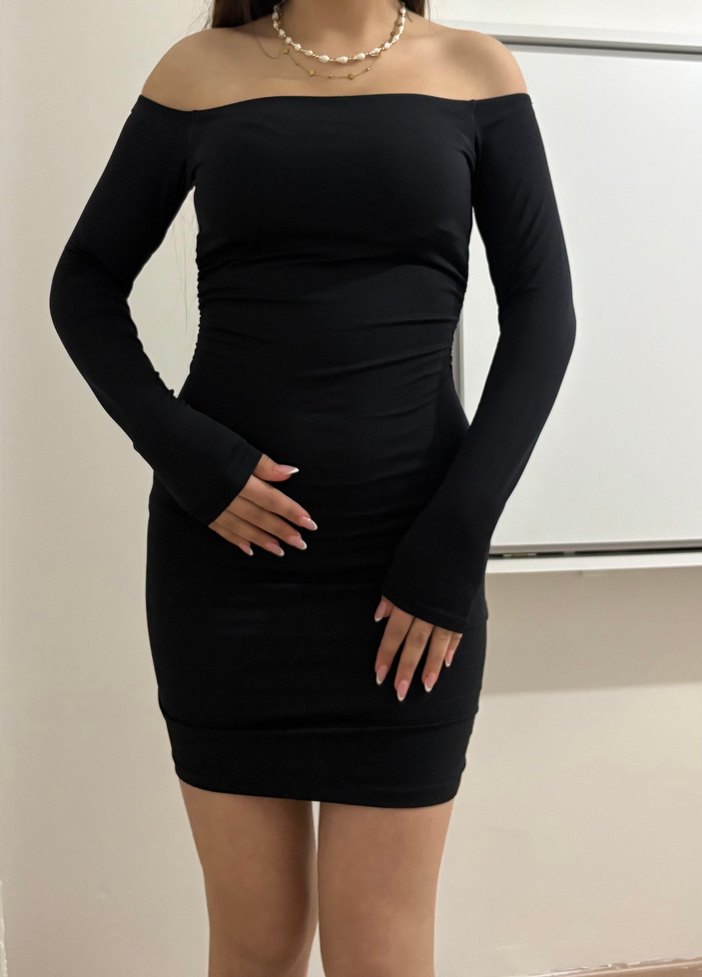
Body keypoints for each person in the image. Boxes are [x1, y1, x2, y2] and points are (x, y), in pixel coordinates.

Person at [48, 1, 576, 974]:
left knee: (381, 953)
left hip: (408, 579)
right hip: (227, 574)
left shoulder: (475, 70)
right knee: (256, 945)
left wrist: (455, 539)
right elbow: (83, 282)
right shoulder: (199, 69)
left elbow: (545, 315)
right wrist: (190, 458)